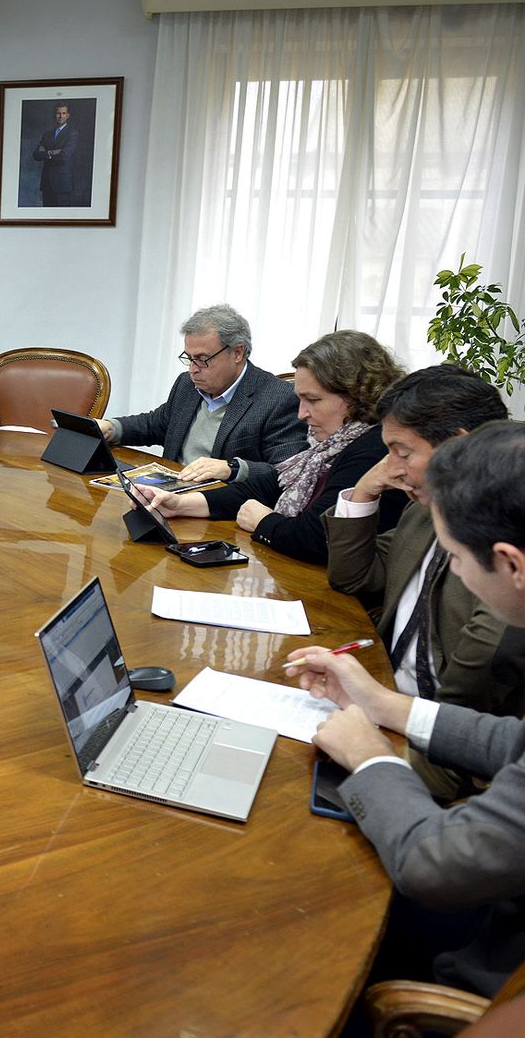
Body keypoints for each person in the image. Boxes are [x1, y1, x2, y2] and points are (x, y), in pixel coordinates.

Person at [288, 419, 525, 998]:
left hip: (485, 962)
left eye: (455, 557)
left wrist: (372, 759)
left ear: (511, 564)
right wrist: (385, 705)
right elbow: (513, 743)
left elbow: (433, 864)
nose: (454, 571)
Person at [324, 365, 525, 799]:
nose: (391, 468)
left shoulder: (504, 538)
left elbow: (477, 677)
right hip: (382, 698)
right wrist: (362, 491)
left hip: (451, 747)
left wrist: (383, 726)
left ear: (457, 447)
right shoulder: (421, 513)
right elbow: (353, 576)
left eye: (402, 452)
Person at [141, 330, 407, 564]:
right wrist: (180, 504)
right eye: (301, 399)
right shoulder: (331, 444)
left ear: (356, 394)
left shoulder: (375, 448)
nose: (302, 414)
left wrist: (263, 521)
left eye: (313, 400)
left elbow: (317, 537)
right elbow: (265, 486)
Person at [99, 304, 307, 482]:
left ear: (237, 352)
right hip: (171, 491)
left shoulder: (278, 398)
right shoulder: (187, 385)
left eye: (202, 359)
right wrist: (111, 428)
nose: (193, 369)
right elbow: (156, 425)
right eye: (189, 358)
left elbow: (287, 471)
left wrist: (232, 469)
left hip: (223, 503)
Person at [31, 103, 82, 206]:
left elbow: (64, 156)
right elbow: (36, 155)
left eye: (63, 113)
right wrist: (51, 152)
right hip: (47, 182)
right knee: (46, 214)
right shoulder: (47, 134)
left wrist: (45, 152)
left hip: (62, 183)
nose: (61, 116)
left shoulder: (72, 133)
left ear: (68, 115)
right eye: (58, 113)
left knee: (61, 214)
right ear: (54, 115)